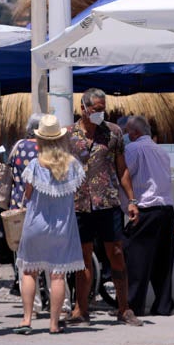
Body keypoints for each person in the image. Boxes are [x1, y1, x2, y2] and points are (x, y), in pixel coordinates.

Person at [70, 88, 139, 326]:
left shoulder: (114, 133)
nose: (100, 113)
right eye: (96, 109)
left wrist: (131, 200)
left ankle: (124, 308)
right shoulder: (69, 135)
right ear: (83, 108)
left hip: (108, 202)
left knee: (117, 254)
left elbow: (123, 169)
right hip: (79, 204)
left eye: (103, 109)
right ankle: (81, 309)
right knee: (83, 259)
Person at [13, 115, 85, 335]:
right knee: (57, 275)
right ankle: (54, 323)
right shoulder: (73, 165)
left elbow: (27, 193)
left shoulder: (35, 165)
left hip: (36, 223)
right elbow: (77, 192)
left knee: (29, 271)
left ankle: (26, 320)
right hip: (62, 226)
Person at [119, 115, 174, 317]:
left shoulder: (133, 149)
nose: (125, 135)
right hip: (166, 209)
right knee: (162, 262)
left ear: (134, 133)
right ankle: (162, 305)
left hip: (146, 209)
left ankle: (134, 304)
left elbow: (124, 174)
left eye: (126, 131)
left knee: (136, 259)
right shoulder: (161, 151)